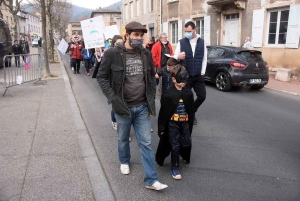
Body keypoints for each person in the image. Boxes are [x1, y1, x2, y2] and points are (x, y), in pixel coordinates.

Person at [97, 21, 167, 191]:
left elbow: (151, 76)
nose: (139, 39)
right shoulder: (113, 54)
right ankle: (124, 160)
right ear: (127, 35)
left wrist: (150, 101)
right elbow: (101, 77)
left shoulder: (145, 54)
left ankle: (151, 179)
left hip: (142, 106)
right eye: (136, 35)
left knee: (146, 143)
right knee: (122, 139)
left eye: (141, 36)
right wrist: (113, 98)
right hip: (123, 107)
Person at [156, 65, 194, 180]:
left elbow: (191, 110)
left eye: (185, 80)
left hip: (185, 123)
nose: (183, 83)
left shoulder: (188, 93)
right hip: (173, 123)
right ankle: (175, 166)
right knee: (175, 145)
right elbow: (163, 112)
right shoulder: (168, 94)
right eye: (181, 80)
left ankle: (184, 156)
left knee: (186, 142)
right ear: (173, 79)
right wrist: (161, 128)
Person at [174, 21, 207, 125]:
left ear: (194, 30)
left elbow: (205, 58)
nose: (187, 33)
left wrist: (202, 72)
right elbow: (174, 58)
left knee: (202, 96)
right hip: (186, 75)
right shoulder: (181, 42)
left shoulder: (202, 42)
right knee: (187, 97)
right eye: (185, 31)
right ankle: (191, 115)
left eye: (189, 31)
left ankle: (192, 110)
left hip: (198, 75)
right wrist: (178, 57)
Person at [110, 35, 124, 131]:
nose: (120, 45)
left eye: (121, 43)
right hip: (114, 85)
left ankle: (124, 128)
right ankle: (114, 121)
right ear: (114, 44)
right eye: (118, 43)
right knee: (115, 106)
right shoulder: (109, 54)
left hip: (124, 86)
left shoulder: (125, 53)